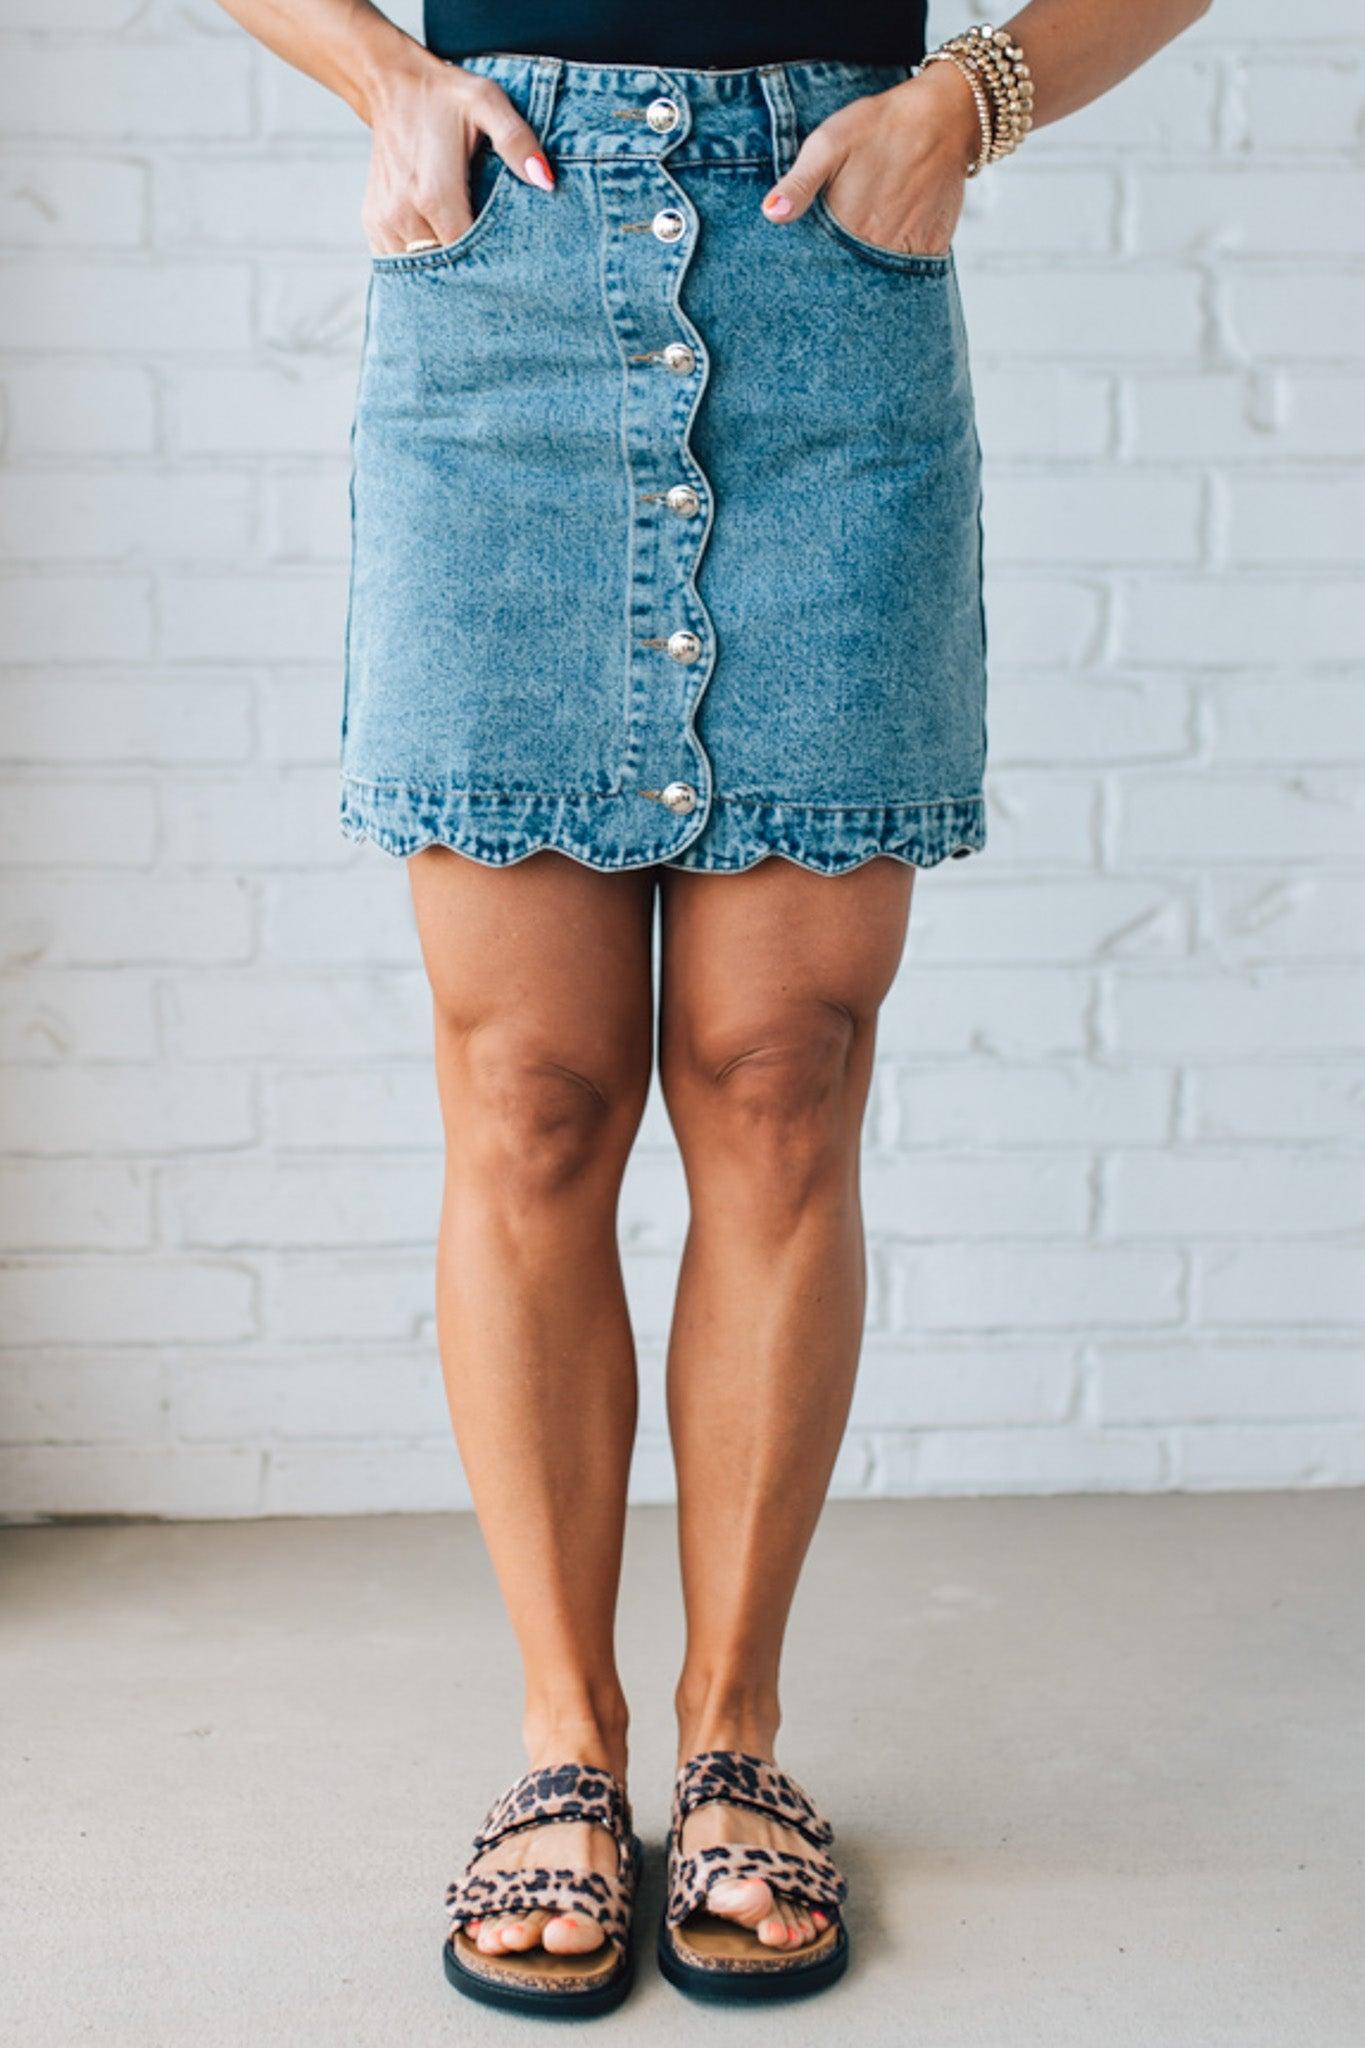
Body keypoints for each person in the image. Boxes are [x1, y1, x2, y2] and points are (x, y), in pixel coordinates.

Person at [214, 0, 1210, 2012]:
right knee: (533, 1096)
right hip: (503, 268)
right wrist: (375, 73)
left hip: (827, 268)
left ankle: (733, 1731)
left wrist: (967, 100)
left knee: (779, 1079)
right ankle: (562, 1746)